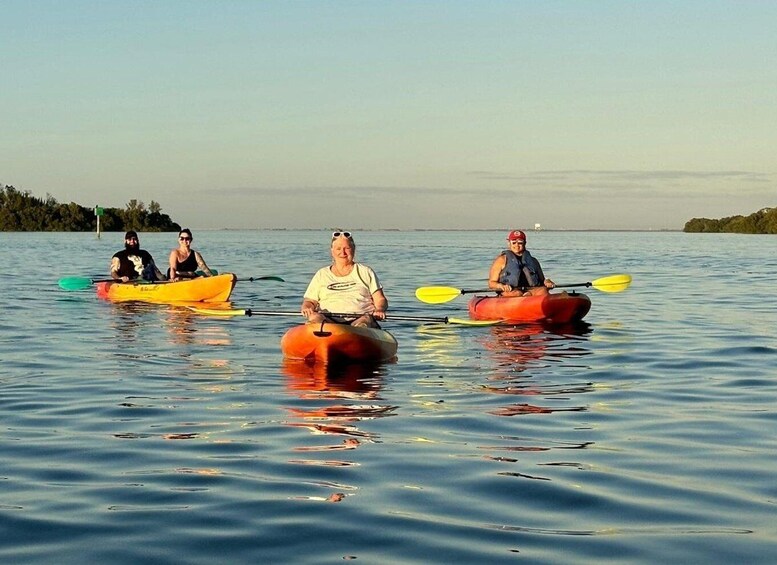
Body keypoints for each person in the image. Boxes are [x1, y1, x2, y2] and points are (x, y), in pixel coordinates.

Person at [300, 230, 388, 328]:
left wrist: (380, 309)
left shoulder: (365, 272)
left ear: (353, 249)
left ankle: (358, 334)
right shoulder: (321, 274)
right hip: (327, 320)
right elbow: (310, 301)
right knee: (314, 317)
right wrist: (307, 307)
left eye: (347, 248)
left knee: (364, 321)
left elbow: (380, 299)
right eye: (338, 249)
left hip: (361, 319)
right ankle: (315, 334)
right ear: (332, 251)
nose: (343, 252)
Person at [487, 230, 555, 297]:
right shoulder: (501, 260)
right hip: (511, 292)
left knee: (543, 291)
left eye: (520, 243)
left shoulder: (533, 261)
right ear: (509, 243)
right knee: (517, 294)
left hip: (531, 291)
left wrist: (547, 282)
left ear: (525, 243)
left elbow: (542, 280)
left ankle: (529, 297)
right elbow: (491, 283)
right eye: (514, 243)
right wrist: (501, 286)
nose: (517, 245)